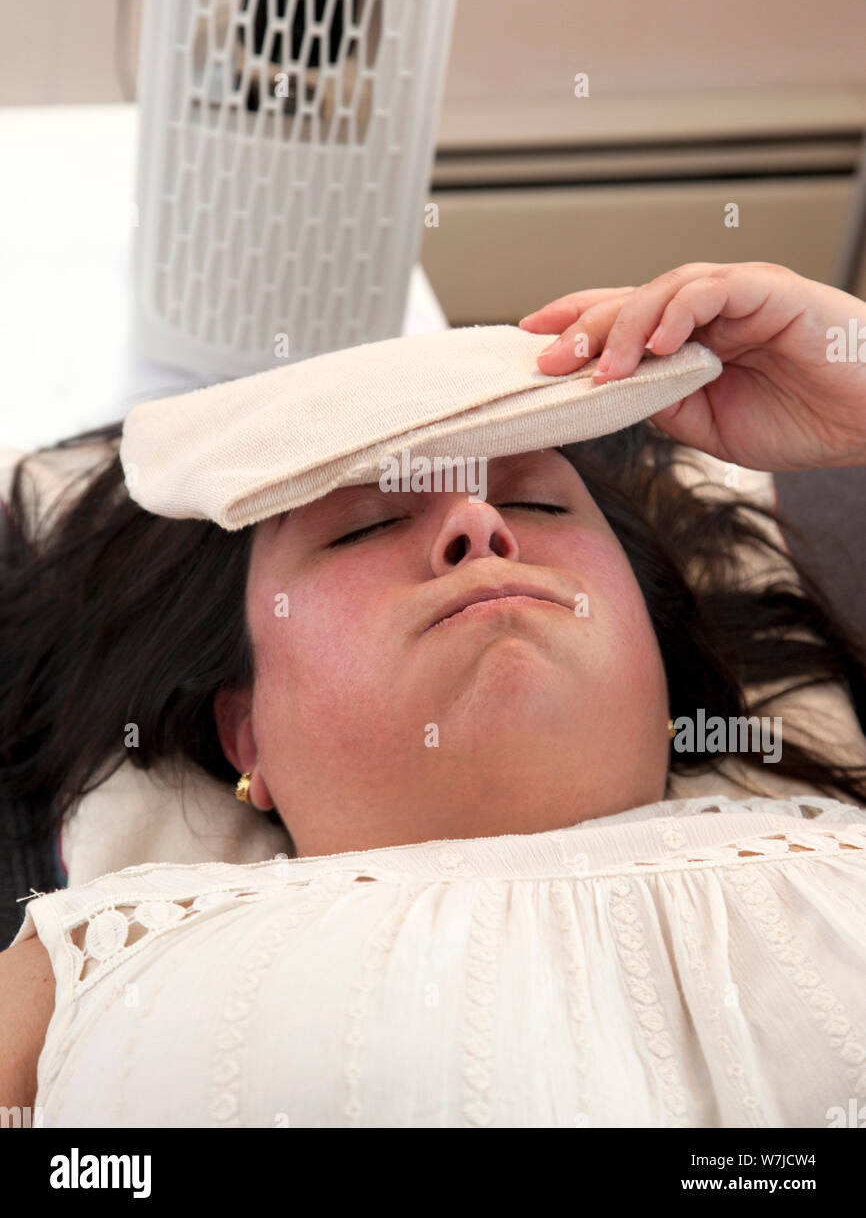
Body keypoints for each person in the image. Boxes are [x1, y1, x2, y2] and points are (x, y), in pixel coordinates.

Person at [1, 261, 865, 1127]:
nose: (477, 526)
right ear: (246, 734)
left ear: (663, 667)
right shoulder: (107, 955)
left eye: (541, 508)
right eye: (368, 525)